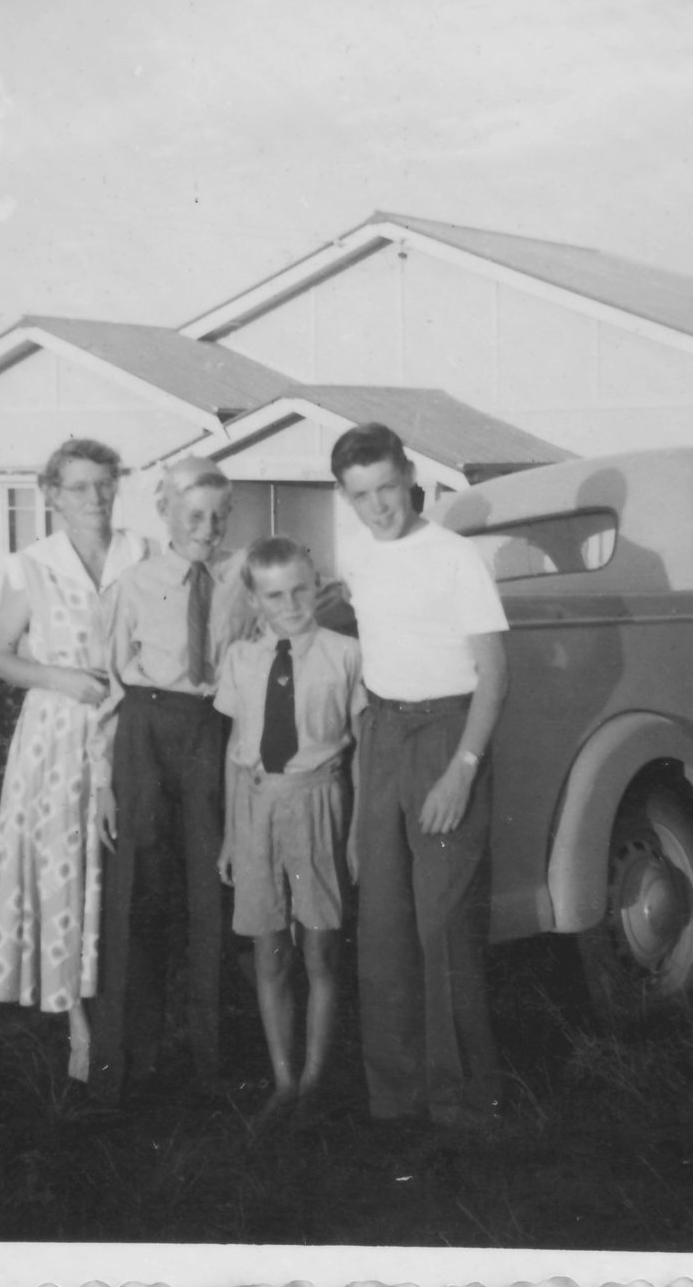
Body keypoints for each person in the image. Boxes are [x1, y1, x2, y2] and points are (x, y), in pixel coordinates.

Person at [330, 422, 509, 1128]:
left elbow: (494, 678)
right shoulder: (355, 558)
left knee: (443, 927)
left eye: (387, 487)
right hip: (380, 733)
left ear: (410, 474)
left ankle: (461, 1103)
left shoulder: (456, 557)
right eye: (361, 495)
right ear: (346, 498)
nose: (379, 507)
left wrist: (461, 771)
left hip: (445, 735)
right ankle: (394, 1100)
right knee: (381, 926)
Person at [0, 438, 149, 1082]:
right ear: (52, 495)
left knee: (123, 864)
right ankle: (77, 1023)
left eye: (104, 484)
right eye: (79, 487)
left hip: (130, 729)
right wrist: (58, 677)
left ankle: (127, 1011)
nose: (95, 498)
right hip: (57, 731)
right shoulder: (32, 564)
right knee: (64, 869)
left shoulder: (141, 554)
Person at [91, 457, 254, 1100]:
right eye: (193, 515)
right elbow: (108, 689)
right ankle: (125, 1070)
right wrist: (104, 781)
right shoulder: (131, 586)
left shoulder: (246, 575)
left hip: (214, 731)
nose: (206, 527)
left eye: (218, 515)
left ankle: (214, 1066)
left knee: (215, 891)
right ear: (164, 513)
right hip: (145, 735)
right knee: (138, 896)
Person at [215, 537, 364, 1125]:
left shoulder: (345, 653)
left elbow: (361, 752)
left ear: (318, 583)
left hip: (318, 805)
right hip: (257, 813)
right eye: (275, 595)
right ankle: (282, 1081)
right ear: (255, 601)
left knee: (320, 950)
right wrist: (231, 834)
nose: (292, 603)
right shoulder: (241, 660)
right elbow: (235, 751)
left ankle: (314, 1082)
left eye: (302, 589)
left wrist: (353, 835)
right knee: (269, 954)